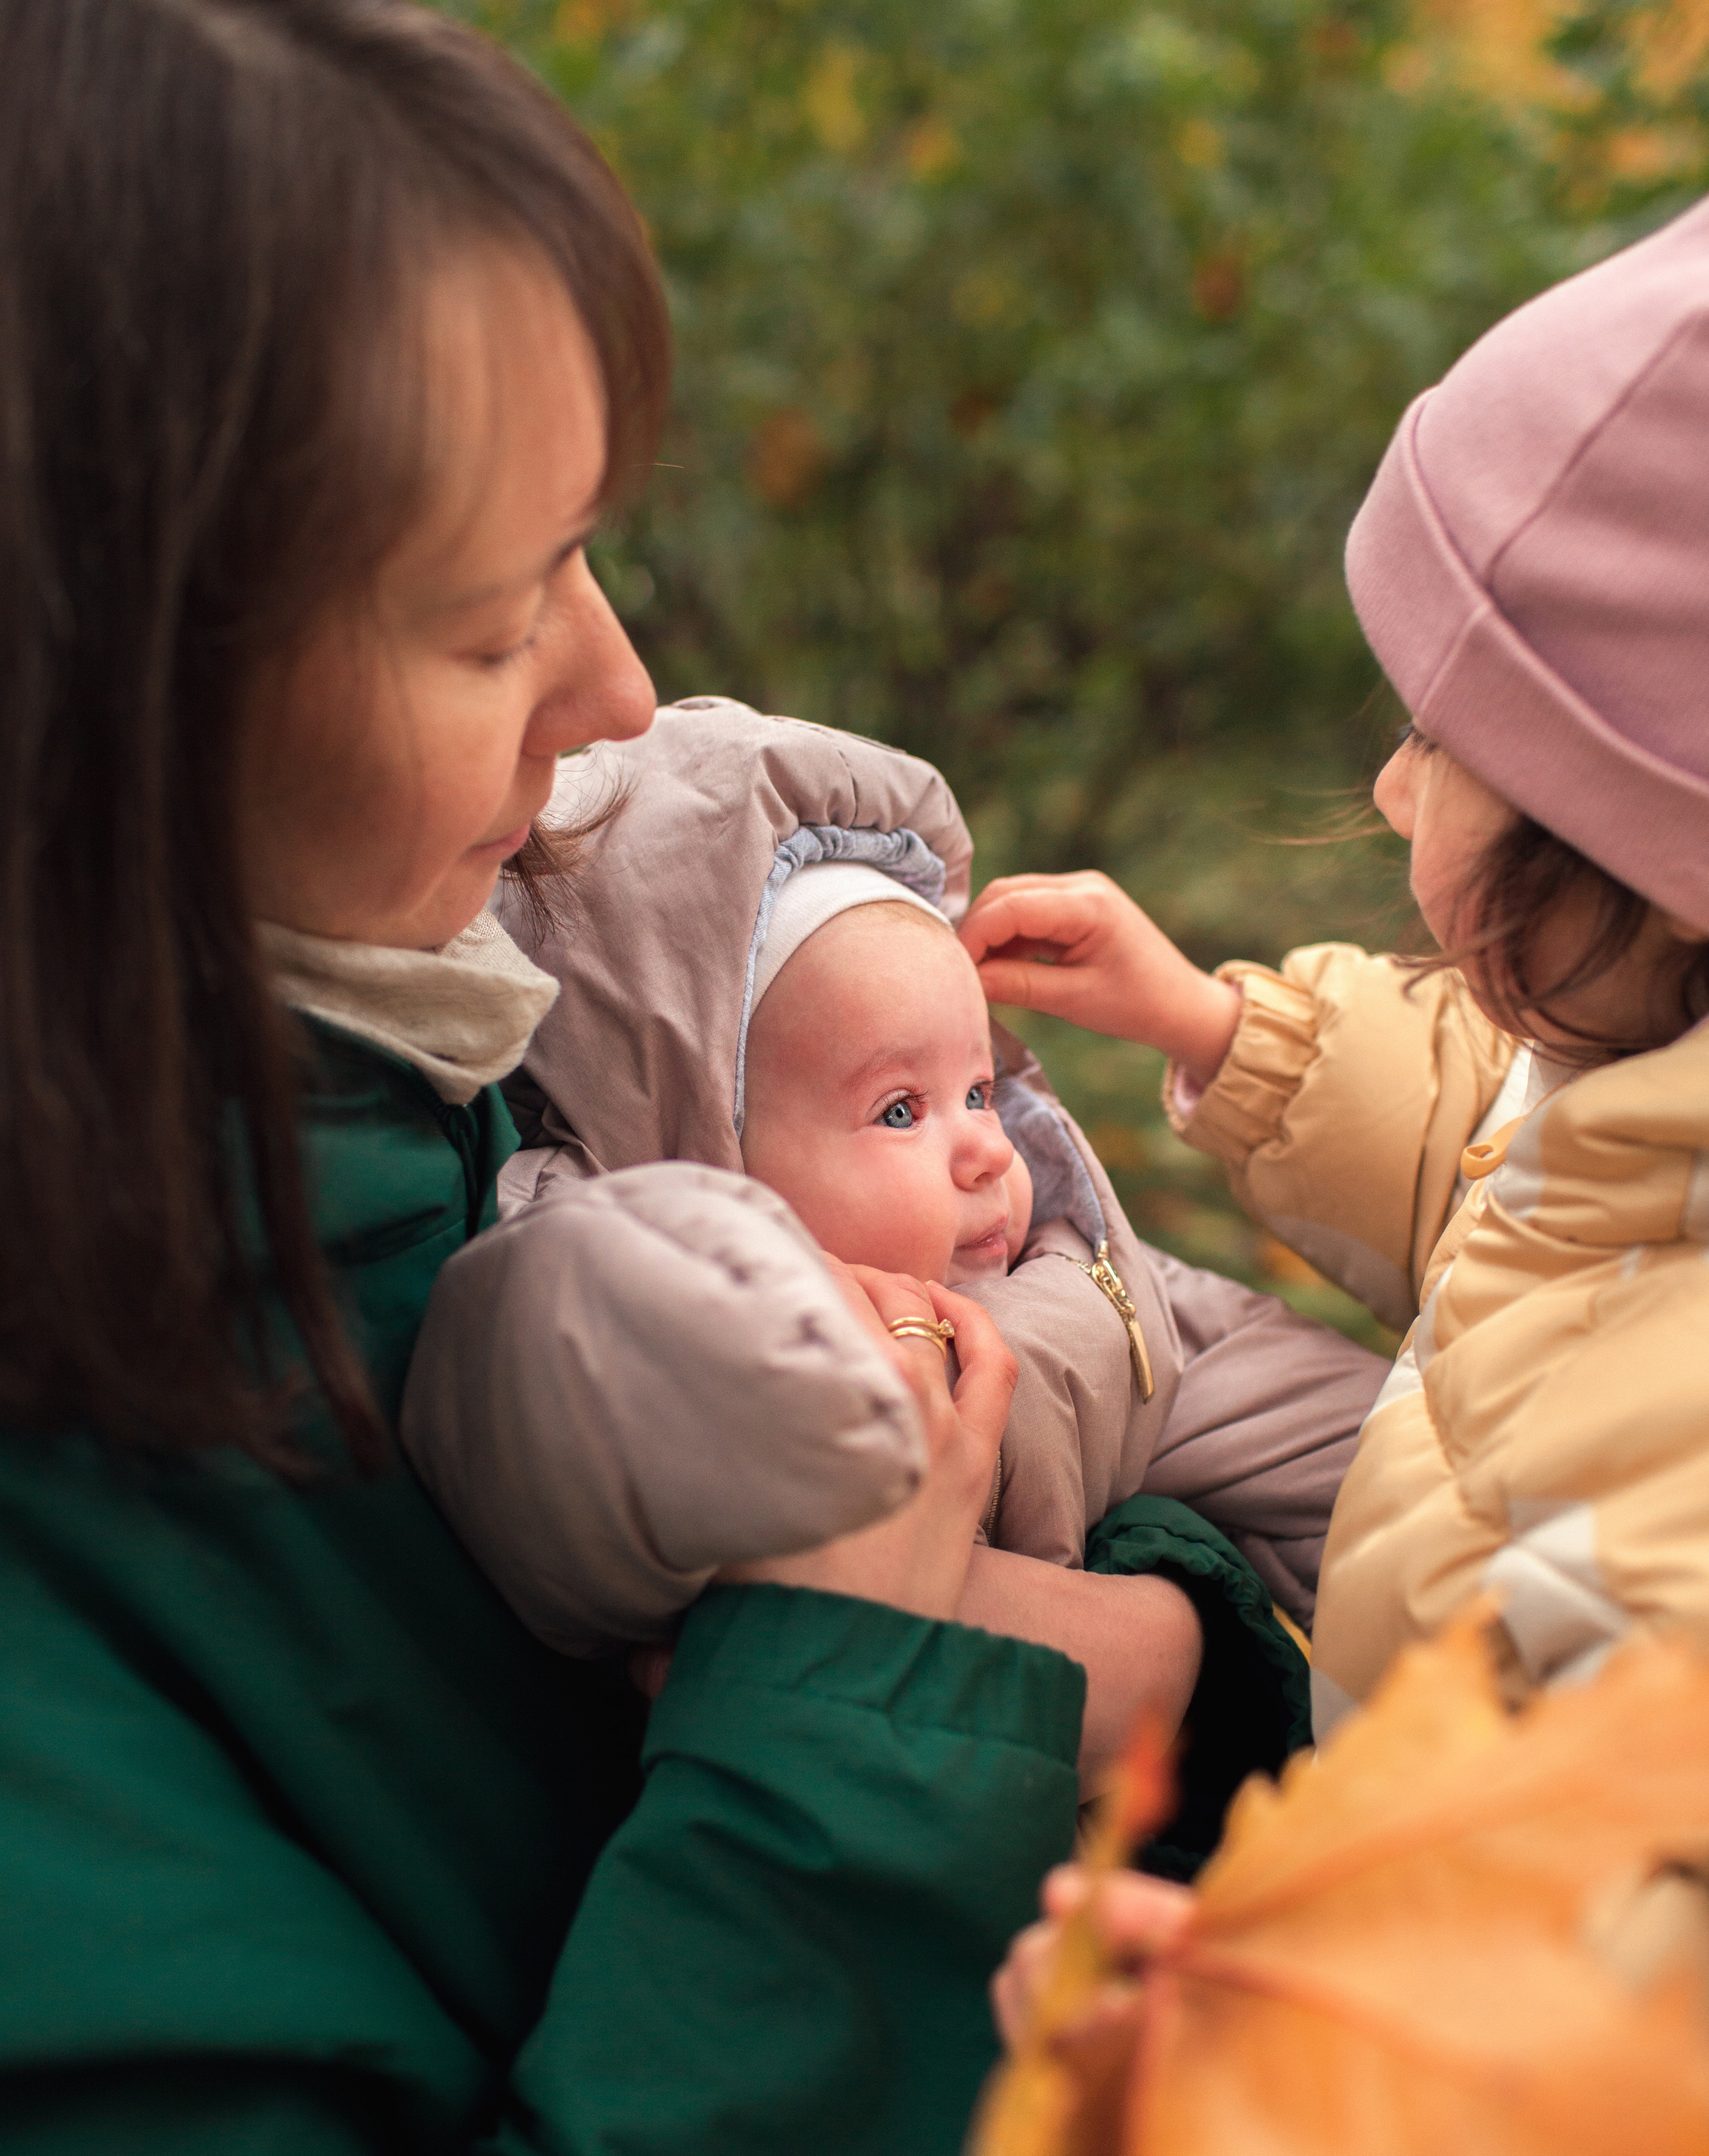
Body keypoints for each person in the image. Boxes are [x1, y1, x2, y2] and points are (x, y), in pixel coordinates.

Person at [0, 0, 1102, 2156]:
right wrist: (862, 1717)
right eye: (490, 616)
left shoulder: (388, 1084)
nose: (615, 697)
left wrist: (1106, 1628)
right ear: (83, 697)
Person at [964, 141, 1709, 2156]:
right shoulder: (1677, 1096)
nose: (1387, 780)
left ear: (1672, 850)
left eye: (1455, 750)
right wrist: (1232, 1036)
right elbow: (1527, 1172)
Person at [401, 698, 1382, 1796]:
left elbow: (1382, 1463)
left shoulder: (1102, 1289)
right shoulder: (642, 1290)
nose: (984, 1150)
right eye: (900, 1111)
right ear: (708, 1157)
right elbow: (560, 1357)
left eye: (978, 1089)